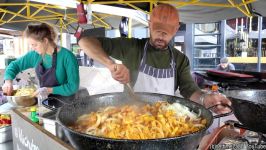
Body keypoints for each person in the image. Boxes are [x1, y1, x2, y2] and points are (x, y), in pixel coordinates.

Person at [78, 4, 231, 114]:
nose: (161, 36)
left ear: (176, 30)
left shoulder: (180, 60)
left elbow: (190, 90)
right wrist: (111, 65)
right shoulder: (132, 47)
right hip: (130, 116)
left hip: (165, 120)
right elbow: (85, 41)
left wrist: (205, 99)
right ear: (149, 24)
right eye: (158, 31)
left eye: (166, 33)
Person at [2, 23, 79, 98]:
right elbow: (14, 65)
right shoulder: (35, 55)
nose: (33, 48)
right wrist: (8, 81)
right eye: (31, 45)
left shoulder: (67, 56)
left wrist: (48, 90)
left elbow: (73, 87)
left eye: (35, 45)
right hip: (45, 100)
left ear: (45, 41)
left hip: (66, 102)